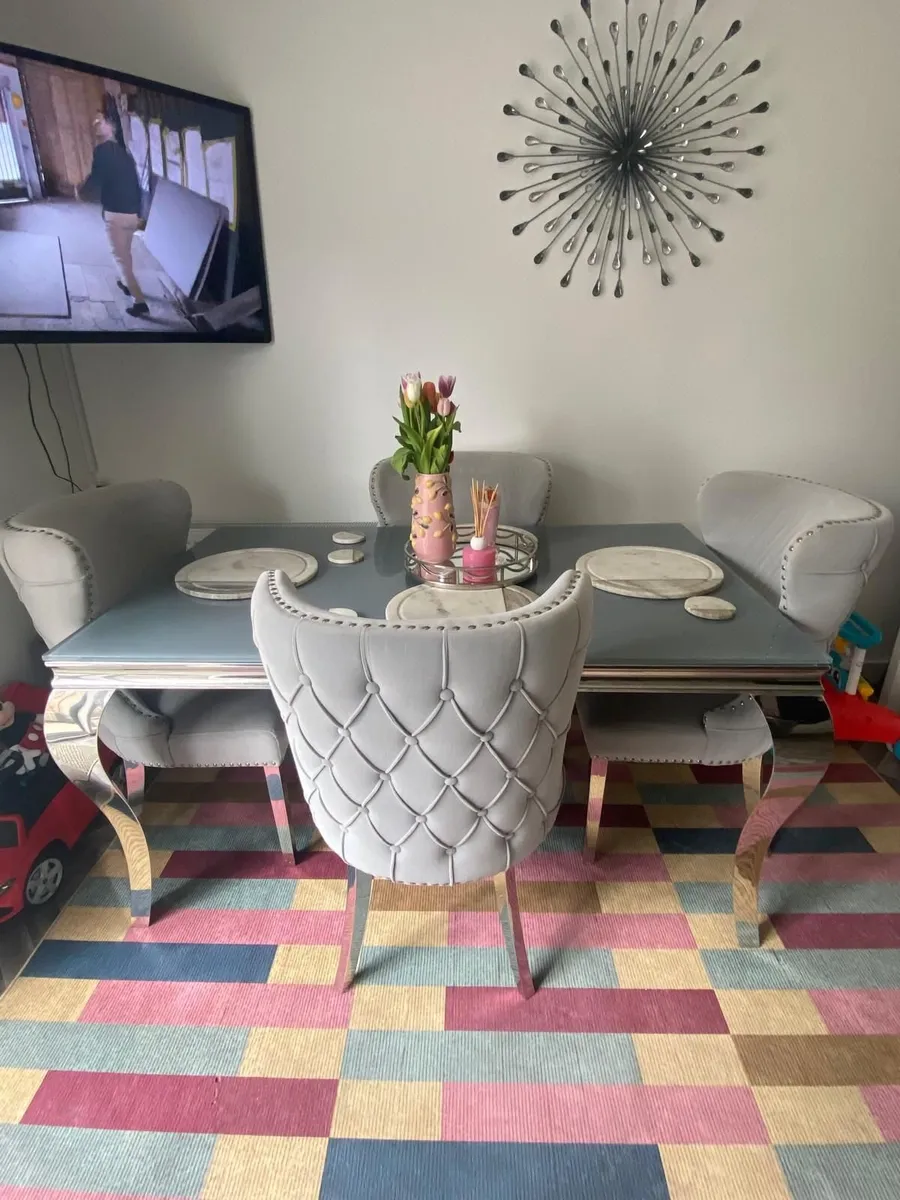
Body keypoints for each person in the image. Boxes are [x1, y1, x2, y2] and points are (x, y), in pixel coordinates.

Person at [76, 114, 149, 319]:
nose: (97, 126)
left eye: (101, 123)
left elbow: (95, 181)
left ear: (110, 129)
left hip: (115, 214)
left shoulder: (102, 151)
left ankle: (139, 301)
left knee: (120, 257)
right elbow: (136, 185)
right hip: (132, 213)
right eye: (96, 123)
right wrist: (140, 215)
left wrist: (81, 192)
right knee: (125, 253)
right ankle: (125, 283)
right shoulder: (125, 154)